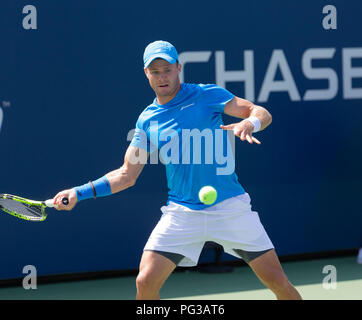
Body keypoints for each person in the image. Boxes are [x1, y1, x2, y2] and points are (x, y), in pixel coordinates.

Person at [53, 40, 302, 300]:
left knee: (278, 281)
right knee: (145, 281)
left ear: (178, 68)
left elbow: (261, 112)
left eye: (167, 69)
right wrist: (78, 193)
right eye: (155, 71)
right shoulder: (147, 120)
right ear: (146, 74)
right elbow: (126, 175)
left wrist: (250, 123)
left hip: (230, 207)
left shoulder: (207, 95)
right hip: (182, 213)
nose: (162, 77)